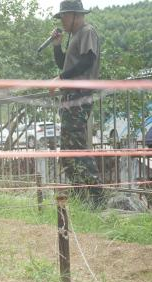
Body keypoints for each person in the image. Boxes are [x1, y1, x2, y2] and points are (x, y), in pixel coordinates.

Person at [51, 0, 102, 205]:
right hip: (71, 97)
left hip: (80, 95)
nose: (62, 21)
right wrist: (57, 46)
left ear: (74, 15)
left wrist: (61, 79)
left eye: (63, 17)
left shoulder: (87, 31)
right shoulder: (74, 36)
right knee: (68, 150)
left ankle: (97, 194)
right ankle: (81, 194)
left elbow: (87, 60)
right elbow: (64, 65)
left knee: (77, 147)